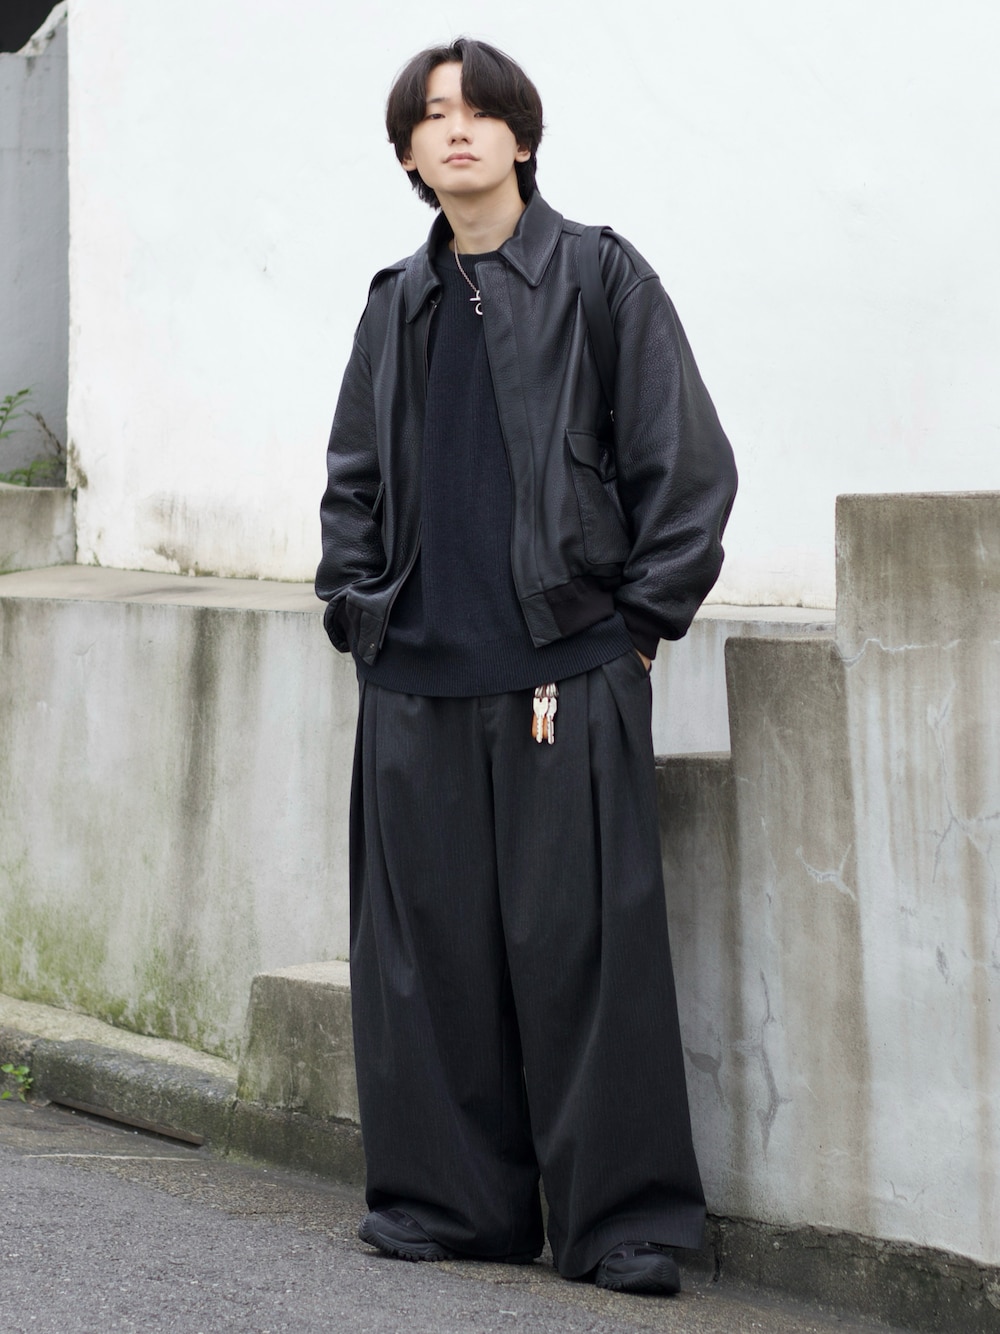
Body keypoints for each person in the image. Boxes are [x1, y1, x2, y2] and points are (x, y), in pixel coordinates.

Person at [315, 37, 737, 1297]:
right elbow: (352, 482)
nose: (457, 129)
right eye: (432, 115)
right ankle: (452, 1204)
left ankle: (623, 1223)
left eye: (480, 111)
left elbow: (685, 466)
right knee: (426, 961)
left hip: (568, 669)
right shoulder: (395, 301)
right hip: (417, 680)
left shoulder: (602, 275)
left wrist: (638, 626)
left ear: (522, 137)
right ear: (407, 151)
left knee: (588, 957)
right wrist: (357, 611)